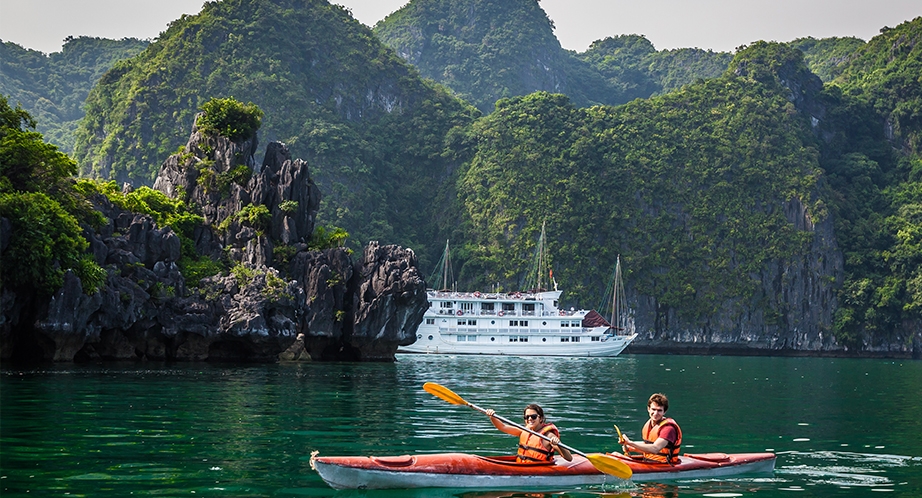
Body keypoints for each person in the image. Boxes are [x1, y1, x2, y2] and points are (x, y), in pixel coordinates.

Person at [485, 404, 573, 462]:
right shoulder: (524, 431)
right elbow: (502, 427)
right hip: (521, 465)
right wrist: (492, 417)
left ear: (541, 418)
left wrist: (559, 444)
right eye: (527, 417)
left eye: (533, 416)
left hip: (538, 469)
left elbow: (569, 458)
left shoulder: (548, 436)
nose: (530, 419)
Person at [619, 393, 683, 464]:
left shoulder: (668, 429)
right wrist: (629, 446)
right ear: (648, 409)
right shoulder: (649, 424)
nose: (655, 413)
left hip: (664, 464)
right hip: (649, 461)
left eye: (659, 410)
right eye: (653, 409)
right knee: (615, 454)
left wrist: (630, 443)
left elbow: (655, 448)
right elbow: (647, 444)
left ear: (664, 412)